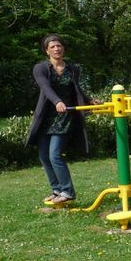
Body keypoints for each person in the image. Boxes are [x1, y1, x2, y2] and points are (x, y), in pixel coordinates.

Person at [25, 34, 98, 205]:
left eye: (59, 46)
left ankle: (68, 191)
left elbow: (75, 88)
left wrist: (88, 100)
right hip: (45, 117)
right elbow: (45, 87)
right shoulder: (41, 68)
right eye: (52, 47)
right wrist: (57, 101)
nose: (56, 49)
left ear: (63, 48)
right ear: (46, 51)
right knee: (44, 155)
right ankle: (56, 189)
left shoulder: (72, 69)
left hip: (64, 117)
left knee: (55, 154)